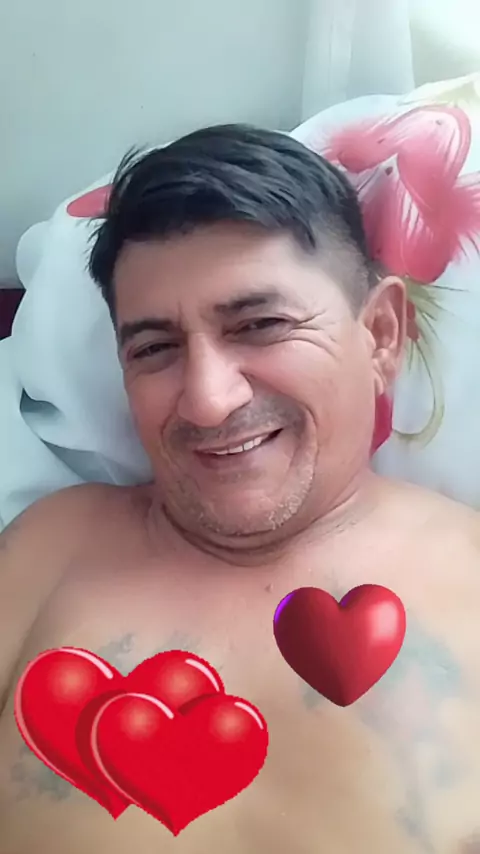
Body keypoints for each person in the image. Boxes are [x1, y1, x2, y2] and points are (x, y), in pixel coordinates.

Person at [1, 125, 479, 854]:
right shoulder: (49, 548)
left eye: (261, 325)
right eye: (155, 348)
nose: (207, 401)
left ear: (381, 334)